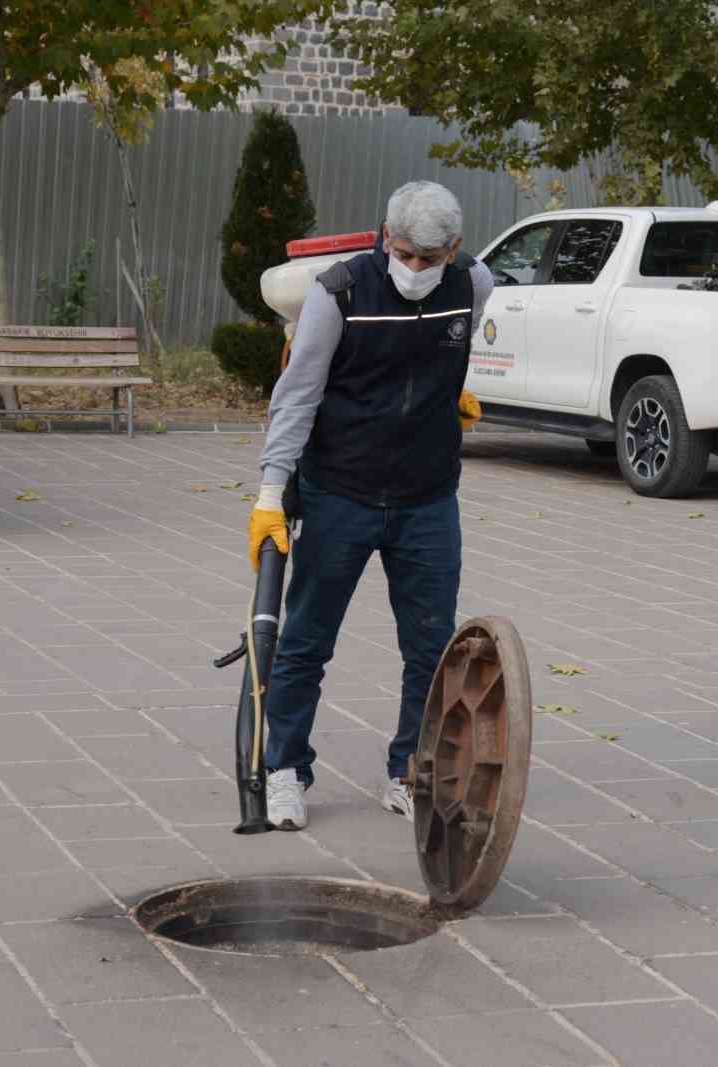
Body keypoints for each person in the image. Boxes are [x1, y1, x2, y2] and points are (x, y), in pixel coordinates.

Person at [245, 181, 492, 830]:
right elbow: (297, 395)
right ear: (386, 239)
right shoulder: (340, 294)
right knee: (305, 641)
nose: (414, 270)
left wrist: (449, 395)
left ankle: (411, 771)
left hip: (428, 499)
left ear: (454, 251)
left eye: (429, 259)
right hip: (340, 494)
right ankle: (284, 769)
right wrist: (272, 491)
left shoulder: (474, 284)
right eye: (404, 254)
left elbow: (452, 351)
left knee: (431, 647)